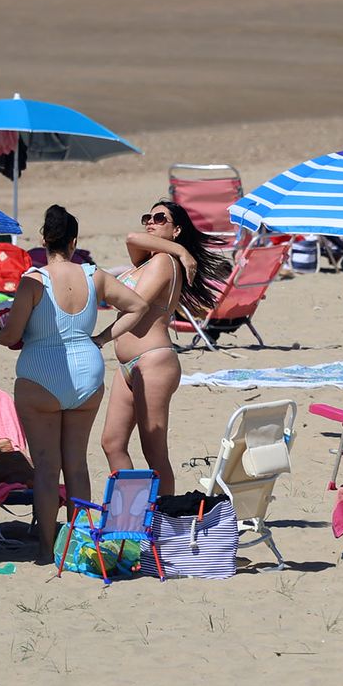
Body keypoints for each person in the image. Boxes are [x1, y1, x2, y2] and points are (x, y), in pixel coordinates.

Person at [0, 206, 148, 563]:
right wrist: (103, 338)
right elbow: (138, 307)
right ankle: (77, 546)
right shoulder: (96, 277)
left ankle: (47, 550)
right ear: (75, 241)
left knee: (47, 466)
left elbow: (13, 334)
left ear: (43, 239)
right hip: (86, 371)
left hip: (41, 373)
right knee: (76, 463)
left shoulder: (33, 280)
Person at [102, 201, 230, 496]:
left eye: (160, 218)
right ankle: (134, 515)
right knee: (112, 442)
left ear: (177, 229)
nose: (151, 222)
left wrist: (101, 335)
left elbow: (136, 304)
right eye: (148, 216)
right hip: (128, 366)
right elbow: (132, 239)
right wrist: (182, 250)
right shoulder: (151, 259)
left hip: (153, 361)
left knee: (154, 453)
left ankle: (163, 519)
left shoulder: (163, 262)